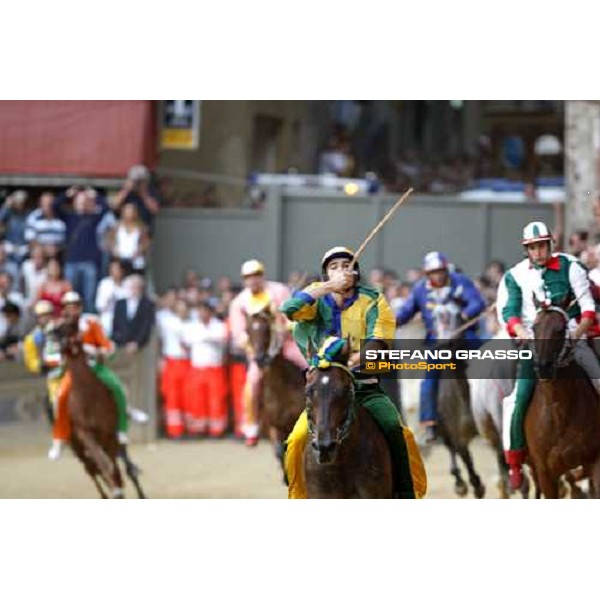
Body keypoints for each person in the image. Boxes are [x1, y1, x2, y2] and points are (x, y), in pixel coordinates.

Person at [280, 246, 426, 499]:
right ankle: (299, 496)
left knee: (396, 430)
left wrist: (352, 360)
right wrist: (326, 287)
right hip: (324, 391)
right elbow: (290, 309)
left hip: (364, 386)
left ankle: (405, 494)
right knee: (295, 440)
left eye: (345, 266)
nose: (339, 271)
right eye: (332, 267)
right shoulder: (315, 299)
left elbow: (379, 339)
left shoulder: (373, 300)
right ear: (325, 274)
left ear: (355, 273)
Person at [497, 221, 600, 490]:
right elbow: (510, 312)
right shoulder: (515, 275)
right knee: (516, 400)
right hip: (536, 344)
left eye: (542, 246)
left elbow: (588, 307)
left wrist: (576, 337)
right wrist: (522, 332)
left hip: (572, 337)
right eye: (533, 248)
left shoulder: (570, 265)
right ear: (526, 250)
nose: (538, 252)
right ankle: (516, 462)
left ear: (550, 245)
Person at [396, 251, 485, 444]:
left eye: (441, 271)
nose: (438, 276)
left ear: (446, 270)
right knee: (429, 377)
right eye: (433, 272)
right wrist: (391, 321)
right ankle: (429, 423)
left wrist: (464, 315)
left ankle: (489, 407)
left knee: (485, 361)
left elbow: (477, 302)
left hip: (463, 336)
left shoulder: (460, 281)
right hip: (437, 342)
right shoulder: (420, 290)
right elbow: (405, 312)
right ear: (427, 274)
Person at [48, 291, 136, 461]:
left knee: (117, 387)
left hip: (94, 367)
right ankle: (59, 438)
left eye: (75, 306)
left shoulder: (91, 322)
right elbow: (51, 352)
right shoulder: (58, 327)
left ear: (80, 307)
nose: (72, 311)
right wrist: (60, 359)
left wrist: (95, 350)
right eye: (68, 307)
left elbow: (108, 346)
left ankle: (122, 428)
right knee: (61, 396)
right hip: (72, 370)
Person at [228, 259, 307, 446]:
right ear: (244, 280)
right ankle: (251, 424)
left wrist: (285, 327)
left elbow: (293, 315)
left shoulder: (279, 291)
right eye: (248, 277)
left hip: (286, 344)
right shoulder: (239, 303)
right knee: (253, 381)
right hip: (259, 350)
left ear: (262, 275)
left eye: (256, 275)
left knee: (309, 366)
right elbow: (239, 333)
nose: (253, 280)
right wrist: (254, 350)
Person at [181, 301, 228, 437]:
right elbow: (187, 341)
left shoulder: (219, 325)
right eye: (200, 311)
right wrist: (207, 338)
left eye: (205, 311)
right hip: (198, 367)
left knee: (216, 399)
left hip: (215, 368)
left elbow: (221, 338)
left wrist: (203, 338)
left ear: (210, 312)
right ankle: (198, 429)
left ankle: (217, 430)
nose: (202, 314)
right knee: (197, 399)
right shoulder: (192, 326)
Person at [22, 300, 64, 421]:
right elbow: (31, 362)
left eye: (48, 315)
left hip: (69, 369)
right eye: (42, 316)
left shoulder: (61, 330)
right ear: (37, 318)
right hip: (52, 374)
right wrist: (42, 364)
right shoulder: (32, 338)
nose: (45, 318)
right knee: (56, 400)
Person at [157, 298, 191, 439]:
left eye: (184, 309)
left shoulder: (192, 324)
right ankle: (174, 430)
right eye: (179, 308)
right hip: (172, 361)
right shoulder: (167, 322)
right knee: (172, 396)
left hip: (188, 362)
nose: (182, 311)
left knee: (187, 396)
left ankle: (188, 428)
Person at [111, 274, 155, 353]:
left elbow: (146, 325)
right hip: (121, 345)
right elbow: (116, 323)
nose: (135, 289)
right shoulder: (120, 303)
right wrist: (118, 340)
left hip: (139, 346)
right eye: (133, 286)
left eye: (137, 287)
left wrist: (136, 342)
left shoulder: (147, 304)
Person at [24, 192, 66, 258]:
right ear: (40, 204)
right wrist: (44, 249)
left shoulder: (63, 216)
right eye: (45, 203)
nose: (48, 206)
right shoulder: (34, 216)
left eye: (50, 204)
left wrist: (57, 249)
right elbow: (30, 239)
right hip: (40, 253)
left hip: (59, 252)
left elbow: (68, 238)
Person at [95, 258, 128, 337]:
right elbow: (99, 306)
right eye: (112, 268)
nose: (114, 271)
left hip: (124, 319)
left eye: (116, 269)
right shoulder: (104, 284)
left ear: (122, 270)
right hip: (108, 317)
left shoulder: (128, 283)